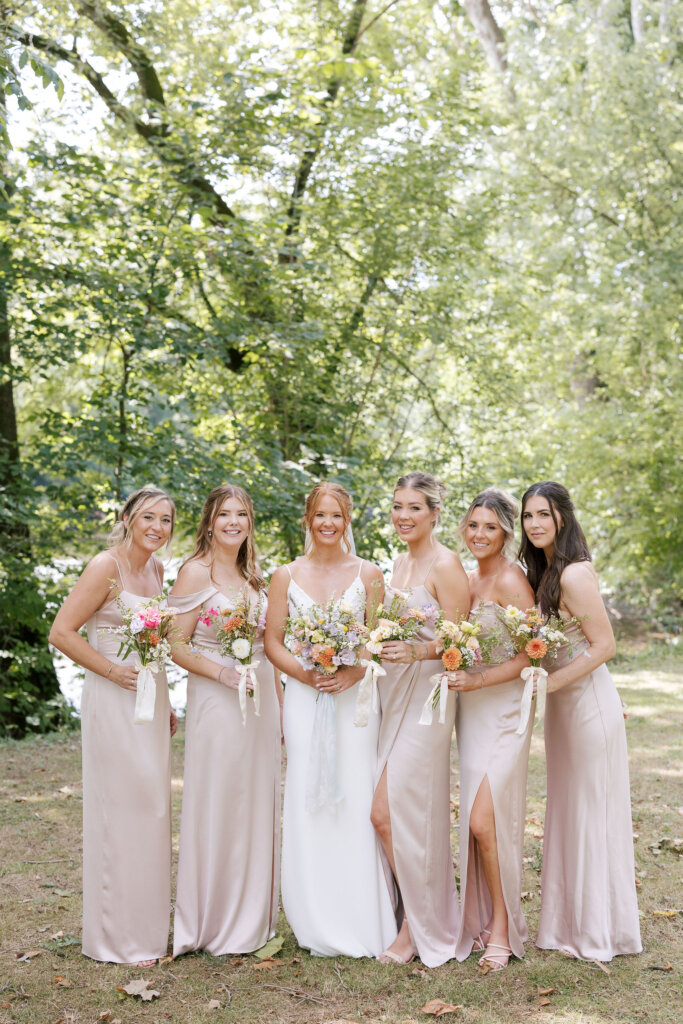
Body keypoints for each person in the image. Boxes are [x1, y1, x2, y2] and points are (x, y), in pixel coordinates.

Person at [265, 481, 396, 958]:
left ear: (348, 520)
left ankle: (365, 912)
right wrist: (306, 672)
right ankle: (314, 913)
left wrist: (354, 670)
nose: (327, 524)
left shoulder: (370, 573)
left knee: (357, 791)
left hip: (355, 700)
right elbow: (272, 642)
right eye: (320, 515)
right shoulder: (284, 574)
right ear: (307, 519)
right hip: (305, 697)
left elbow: (379, 635)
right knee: (307, 792)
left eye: (336, 516)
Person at [49, 486, 177, 965]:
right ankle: (115, 937)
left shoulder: (158, 569)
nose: (157, 528)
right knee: (121, 809)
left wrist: (163, 698)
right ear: (127, 517)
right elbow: (61, 632)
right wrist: (110, 671)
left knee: (152, 808)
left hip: (148, 697)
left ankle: (146, 930)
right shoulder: (106, 566)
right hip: (113, 696)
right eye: (148, 517)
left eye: (165, 520)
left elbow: (153, 641)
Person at [520, 481, 642, 961]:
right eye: (528, 516)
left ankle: (597, 932)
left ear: (562, 519)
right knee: (568, 813)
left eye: (543, 515)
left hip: (587, 707)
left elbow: (605, 646)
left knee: (591, 813)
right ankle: (565, 926)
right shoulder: (545, 573)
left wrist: (550, 684)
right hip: (565, 713)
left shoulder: (573, 575)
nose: (534, 524)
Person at [169, 484, 281, 957]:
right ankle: (210, 920)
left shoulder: (254, 576)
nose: (233, 522)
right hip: (218, 701)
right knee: (218, 799)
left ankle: (251, 919)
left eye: (242, 514)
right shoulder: (194, 574)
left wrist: (280, 712)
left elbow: (269, 649)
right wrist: (225, 673)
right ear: (209, 522)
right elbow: (175, 646)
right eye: (224, 514)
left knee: (255, 801)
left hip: (261, 701)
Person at [370, 472, 469, 967]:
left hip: (429, 699)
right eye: (397, 507)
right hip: (392, 695)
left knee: (390, 812)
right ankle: (414, 912)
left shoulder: (447, 565)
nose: (403, 516)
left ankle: (416, 928)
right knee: (390, 814)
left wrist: (420, 648)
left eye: (414, 507)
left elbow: (463, 644)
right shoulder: (398, 561)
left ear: (434, 513)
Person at [448, 489, 536, 971]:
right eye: (473, 526)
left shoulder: (510, 579)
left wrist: (477, 677)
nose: (480, 535)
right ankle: (482, 919)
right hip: (470, 714)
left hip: (506, 712)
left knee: (484, 820)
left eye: (491, 527)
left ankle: (503, 929)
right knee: (480, 825)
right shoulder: (465, 579)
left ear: (505, 532)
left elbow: (532, 652)